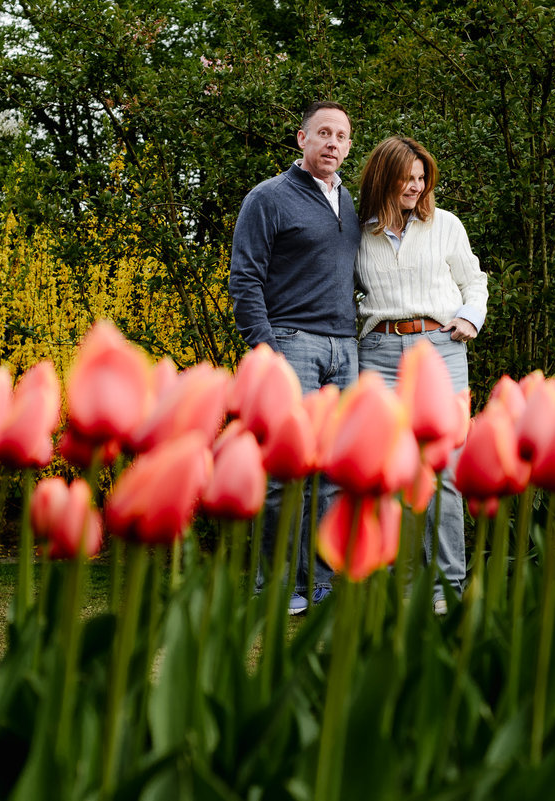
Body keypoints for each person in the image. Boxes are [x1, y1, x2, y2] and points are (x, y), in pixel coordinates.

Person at [228, 101, 359, 614]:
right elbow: (245, 279)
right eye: (323, 133)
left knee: (330, 474)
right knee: (285, 473)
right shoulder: (269, 198)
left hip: (345, 349)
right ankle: (276, 585)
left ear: (349, 146)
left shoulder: (351, 203)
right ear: (301, 139)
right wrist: (268, 349)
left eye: (342, 136)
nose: (332, 143)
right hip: (292, 343)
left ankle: (320, 583)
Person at [354, 136, 488, 615]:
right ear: (383, 177)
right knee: (394, 471)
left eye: (420, 177)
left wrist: (471, 317)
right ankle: (404, 584)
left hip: (440, 348)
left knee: (446, 471)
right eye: (405, 177)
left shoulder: (445, 224)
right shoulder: (358, 230)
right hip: (379, 350)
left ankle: (447, 586)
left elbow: (474, 280)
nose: (415, 186)